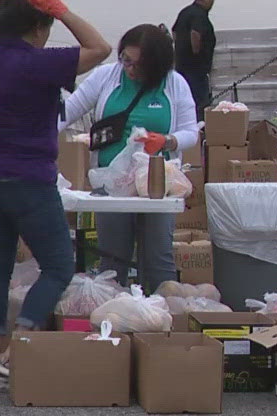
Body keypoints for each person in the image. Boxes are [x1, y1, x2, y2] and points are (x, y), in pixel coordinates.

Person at [0, 0, 112, 385]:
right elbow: (101, 49)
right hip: (26, 177)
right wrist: (60, 8)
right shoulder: (37, 62)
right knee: (59, 265)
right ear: (36, 29)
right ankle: (17, 350)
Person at [62, 24, 198, 288]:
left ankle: (161, 316)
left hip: (158, 184)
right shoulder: (106, 76)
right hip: (112, 183)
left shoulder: (174, 83)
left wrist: (168, 141)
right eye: (126, 60)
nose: (130, 69)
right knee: (112, 260)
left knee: (158, 258)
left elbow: (190, 131)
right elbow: (69, 111)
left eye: (139, 65)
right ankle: (112, 319)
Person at [172, 0, 216, 116]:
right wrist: (196, 53)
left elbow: (174, 31)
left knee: (184, 103)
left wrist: (179, 49)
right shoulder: (199, 15)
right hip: (196, 69)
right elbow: (195, 33)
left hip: (182, 66)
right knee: (200, 104)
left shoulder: (185, 12)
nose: (213, 1)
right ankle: (200, 131)